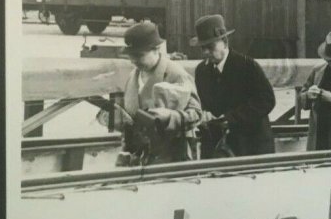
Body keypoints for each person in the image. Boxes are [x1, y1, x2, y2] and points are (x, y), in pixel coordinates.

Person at [118, 21, 203, 165]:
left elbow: (196, 114)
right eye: (130, 56)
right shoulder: (133, 76)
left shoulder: (176, 75)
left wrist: (169, 117)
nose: (133, 61)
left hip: (171, 157)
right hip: (137, 156)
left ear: (157, 49)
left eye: (139, 55)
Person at [193, 14, 276, 157]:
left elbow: (267, 100)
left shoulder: (247, 66)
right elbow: (204, 104)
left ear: (224, 41)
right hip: (218, 149)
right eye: (202, 48)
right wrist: (205, 113)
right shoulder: (201, 71)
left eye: (210, 46)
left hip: (251, 146)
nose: (206, 52)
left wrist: (231, 118)